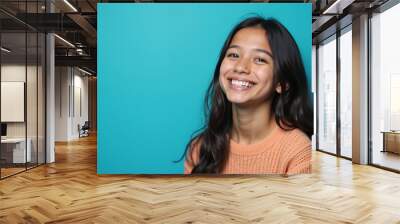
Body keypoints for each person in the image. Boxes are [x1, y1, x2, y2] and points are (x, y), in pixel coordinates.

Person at [183, 16, 313, 175]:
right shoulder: (200, 148)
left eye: (259, 59)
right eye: (234, 55)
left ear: (282, 82)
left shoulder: (299, 151)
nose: (240, 67)